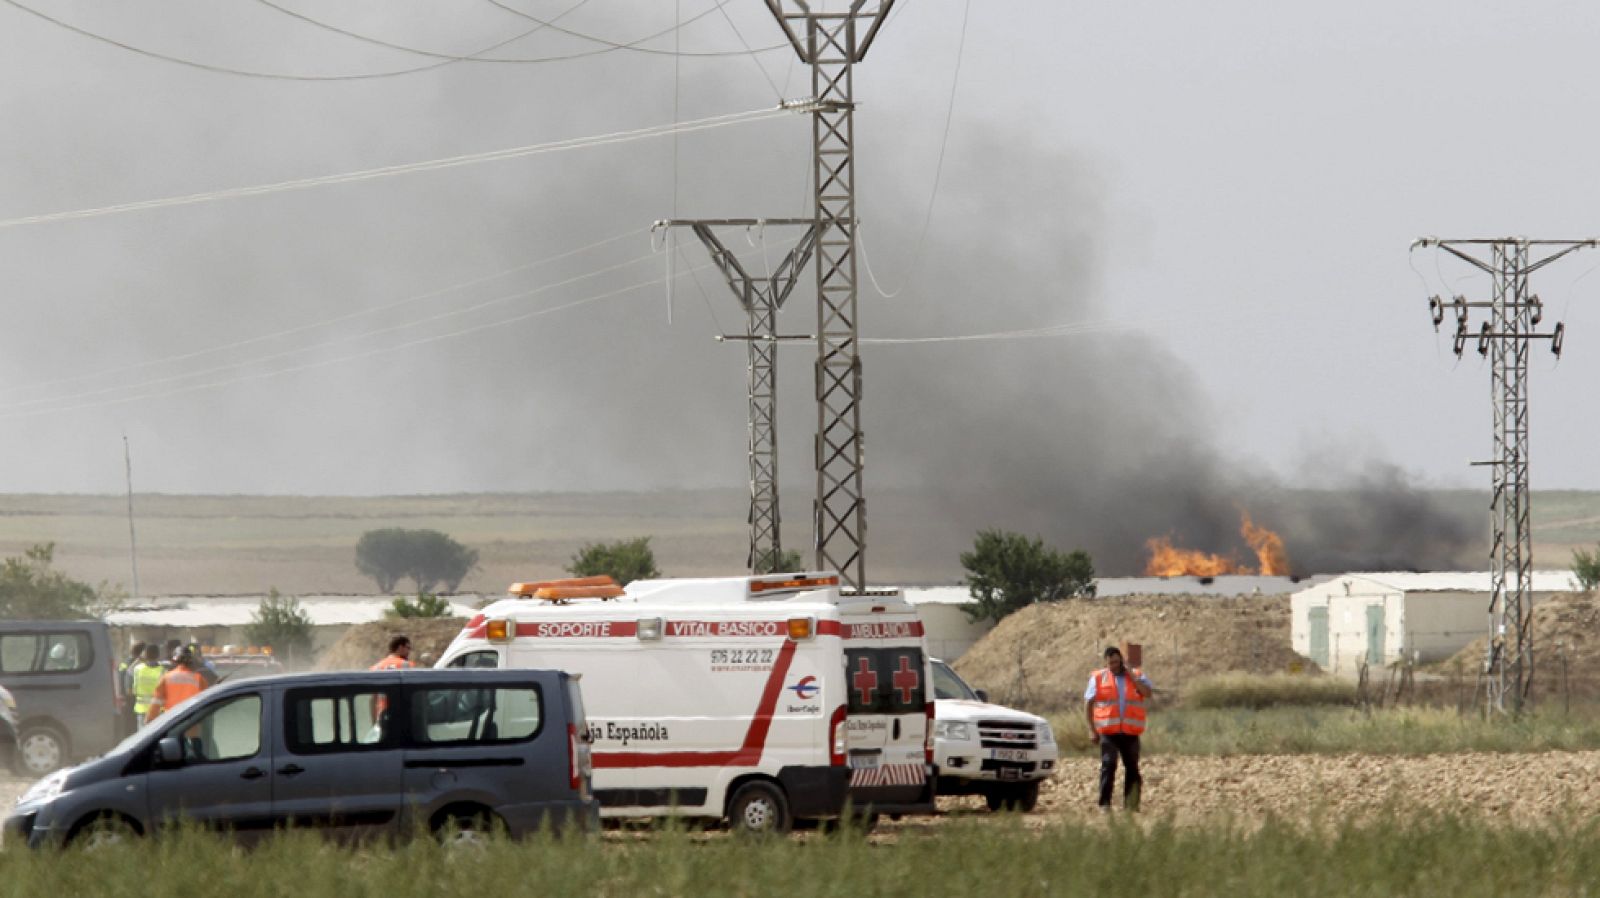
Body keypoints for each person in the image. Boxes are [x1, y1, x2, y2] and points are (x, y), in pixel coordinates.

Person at [1085, 646, 1152, 811]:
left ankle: (1131, 806)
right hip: (1109, 731)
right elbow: (1088, 703)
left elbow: (1147, 693)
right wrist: (1091, 729)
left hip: (1130, 731)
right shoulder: (1099, 677)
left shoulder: (1136, 675)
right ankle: (1104, 804)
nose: (1113, 666)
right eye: (1110, 663)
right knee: (1108, 765)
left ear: (1121, 660)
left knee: (1132, 768)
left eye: (1115, 662)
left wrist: (1133, 678)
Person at [145, 650, 206, 726]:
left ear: (174, 661)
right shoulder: (199, 678)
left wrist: (149, 719)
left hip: (171, 721)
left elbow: (156, 702)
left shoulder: (166, 677)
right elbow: (206, 701)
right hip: (192, 721)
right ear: (191, 662)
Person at [130, 644, 163, 730]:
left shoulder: (137, 669)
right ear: (158, 655)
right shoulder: (163, 670)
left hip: (142, 710)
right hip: (158, 710)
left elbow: (128, 672)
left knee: (143, 738)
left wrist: (139, 659)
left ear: (145, 655)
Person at [119, 642, 146, 736]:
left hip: (125, 698)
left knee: (128, 726)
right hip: (133, 698)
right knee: (134, 726)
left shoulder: (124, 662)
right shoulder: (138, 665)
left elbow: (120, 678)